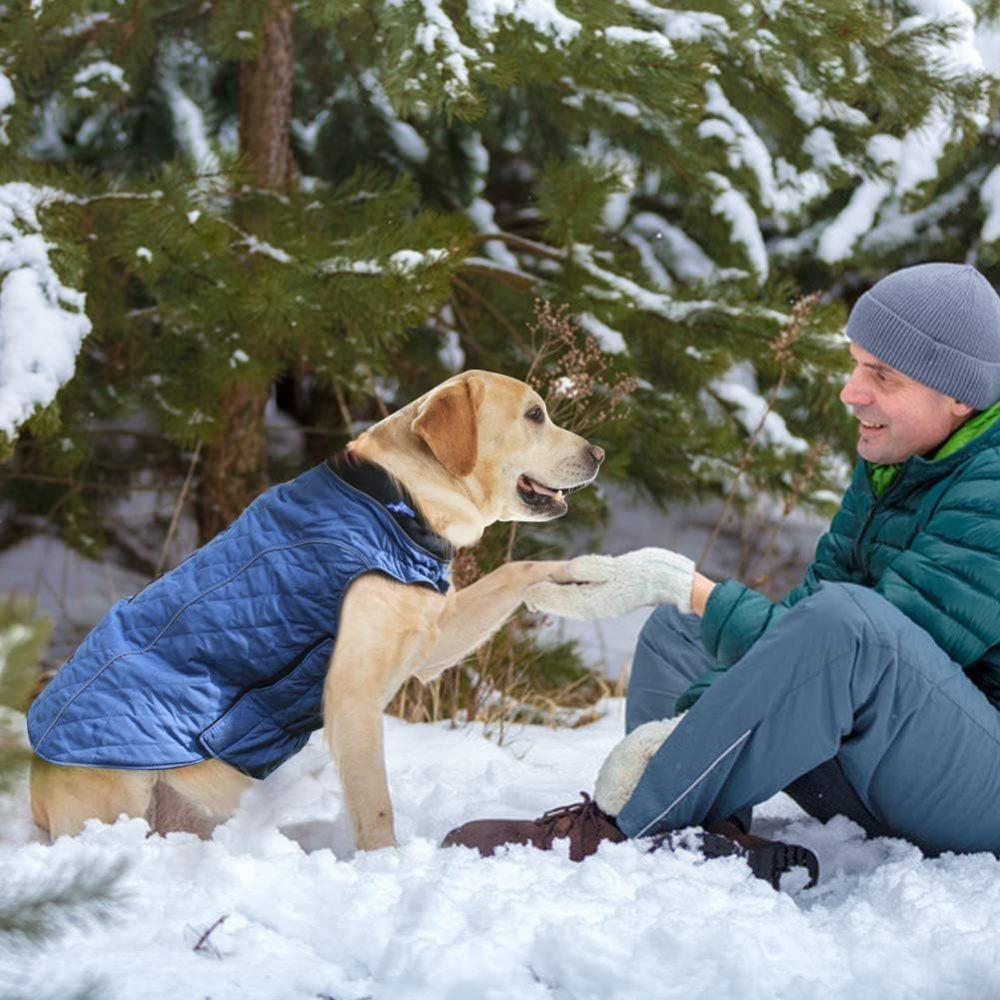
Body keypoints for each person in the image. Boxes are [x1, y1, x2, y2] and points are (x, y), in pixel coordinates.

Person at [442, 261, 1000, 889]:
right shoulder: (898, 463)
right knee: (680, 630)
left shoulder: (991, 485)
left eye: (882, 375)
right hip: (886, 768)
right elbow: (801, 637)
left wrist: (691, 584)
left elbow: (864, 645)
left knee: (838, 621)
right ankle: (693, 832)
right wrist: (688, 627)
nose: (851, 391)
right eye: (855, 363)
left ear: (959, 396)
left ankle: (621, 831)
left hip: (979, 793)